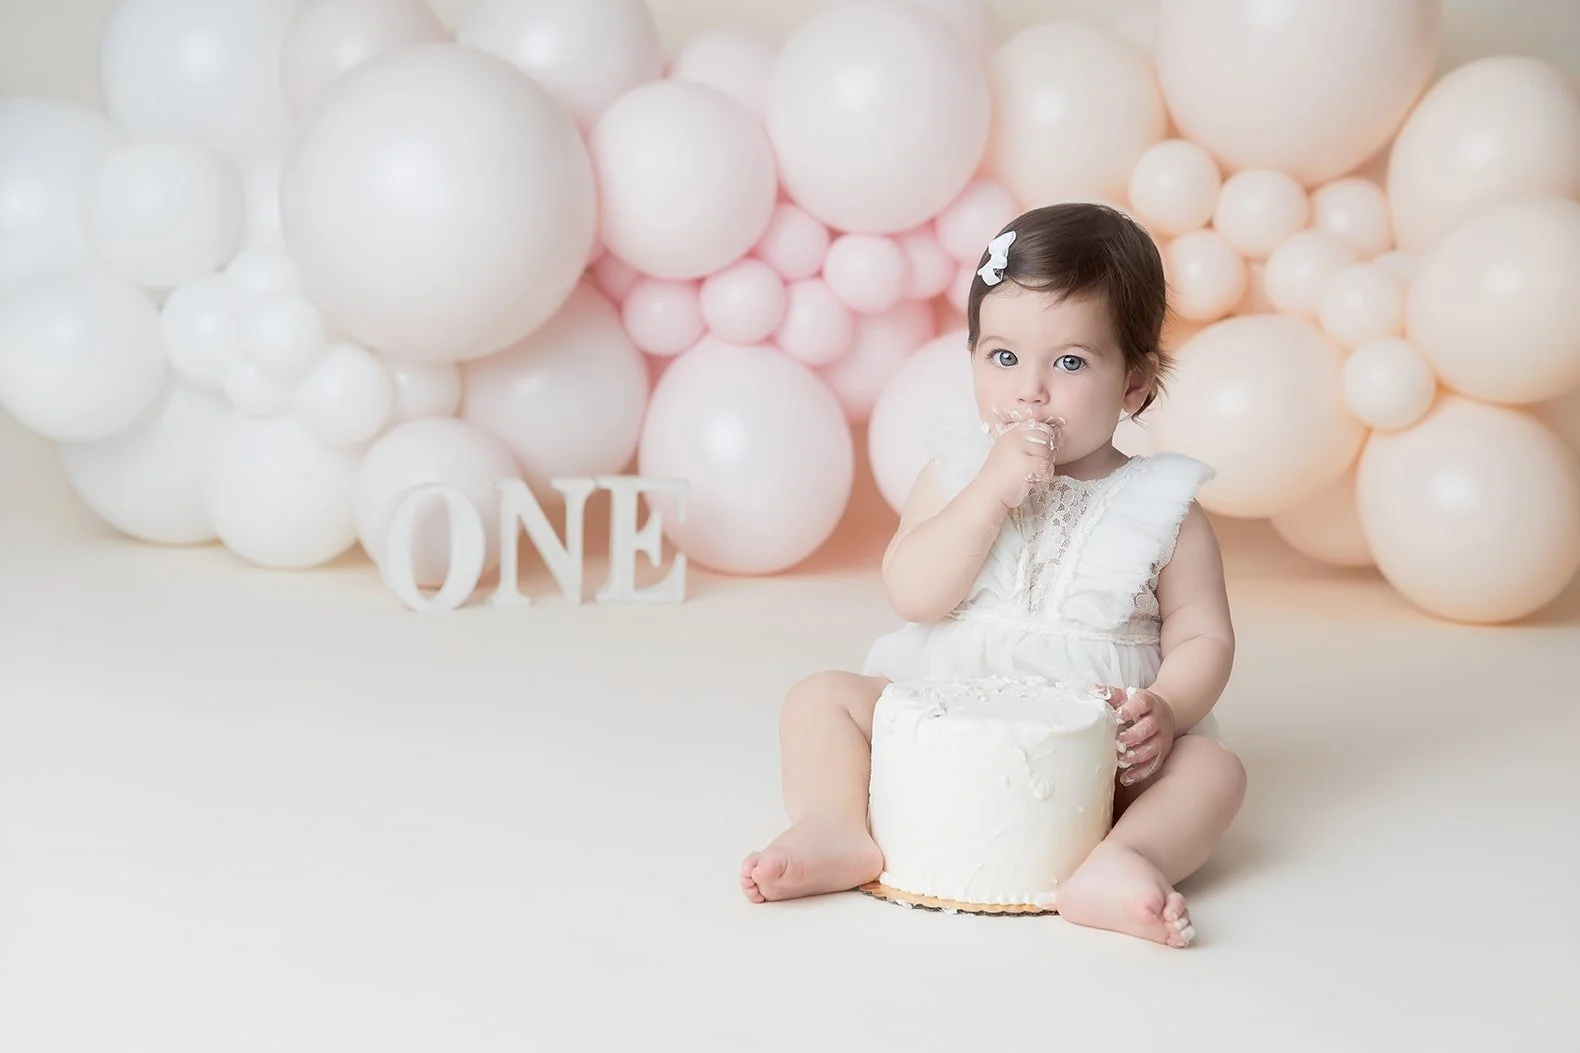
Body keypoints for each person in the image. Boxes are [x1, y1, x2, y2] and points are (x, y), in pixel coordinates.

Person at [740, 203, 1247, 949]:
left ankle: (1122, 857)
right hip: (946, 711)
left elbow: (1204, 633)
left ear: (1135, 384)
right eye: (1003, 357)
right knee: (819, 699)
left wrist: (1167, 709)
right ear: (972, 356)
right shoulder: (953, 475)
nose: (1029, 391)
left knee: (1214, 769)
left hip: (1096, 749)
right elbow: (914, 593)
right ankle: (836, 825)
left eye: (1069, 362)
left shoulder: (1161, 508)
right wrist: (987, 492)